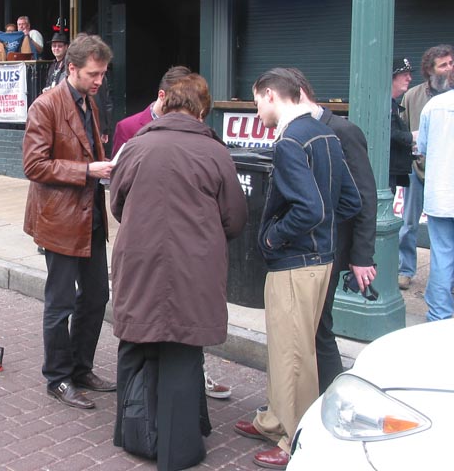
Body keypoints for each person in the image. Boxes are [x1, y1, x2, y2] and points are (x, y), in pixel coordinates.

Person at [110, 74, 246, 470]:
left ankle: (131, 432)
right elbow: (234, 218)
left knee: (136, 341)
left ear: (165, 103)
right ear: (202, 110)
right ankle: (178, 448)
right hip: (194, 266)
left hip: (138, 260)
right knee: (183, 351)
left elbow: (118, 204)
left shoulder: (135, 146)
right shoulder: (215, 153)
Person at [234, 68, 361, 470]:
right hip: (319, 259)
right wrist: (323, 238)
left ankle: (295, 439)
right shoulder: (325, 133)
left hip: (295, 261)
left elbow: (309, 208)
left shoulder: (290, 140)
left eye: (257, 101)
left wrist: (273, 236)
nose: (257, 110)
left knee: (293, 354)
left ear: (271, 94)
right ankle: (275, 420)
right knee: (295, 348)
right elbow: (349, 202)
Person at [23, 33, 116, 410]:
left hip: (88, 216)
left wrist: (104, 169)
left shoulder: (88, 102)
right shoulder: (46, 105)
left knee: (96, 295)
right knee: (60, 303)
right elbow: (33, 165)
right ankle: (58, 378)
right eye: (94, 74)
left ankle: (81, 368)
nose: (99, 81)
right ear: (71, 68)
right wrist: (87, 169)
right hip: (60, 220)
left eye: (103, 74)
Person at [289, 68, 378, 394]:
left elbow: (365, 197)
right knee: (309, 328)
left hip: (331, 248)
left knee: (319, 329)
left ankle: (329, 400)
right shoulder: (298, 131)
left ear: (296, 93)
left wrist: (362, 256)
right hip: (307, 250)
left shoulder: (343, 130)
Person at [397, 44, 454, 290]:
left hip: (446, 175)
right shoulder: (413, 96)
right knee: (409, 223)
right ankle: (405, 269)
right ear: (430, 70)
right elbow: (403, 133)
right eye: (443, 65)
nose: (449, 68)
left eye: (451, 63)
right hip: (417, 171)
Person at [416, 68, 454, 322]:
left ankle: (440, 315)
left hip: (441, 192)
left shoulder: (434, 105)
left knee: (442, 254)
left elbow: (423, 147)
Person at [390, 57, 414, 194]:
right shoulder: (383, 103)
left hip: (392, 170)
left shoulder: (392, 103)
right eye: (405, 75)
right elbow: (388, 132)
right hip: (385, 173)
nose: (409, 78)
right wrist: (412, 137)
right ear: (392, 77)